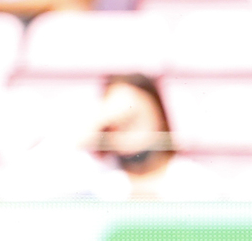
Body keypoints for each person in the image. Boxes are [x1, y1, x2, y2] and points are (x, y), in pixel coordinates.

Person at [12, 74, 225, 202]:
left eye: (136, 116)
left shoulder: (197, 182)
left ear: (159, 115)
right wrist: (89, 126)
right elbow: (19, 191)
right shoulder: (97, 183)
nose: (125, 126)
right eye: (116, 122)